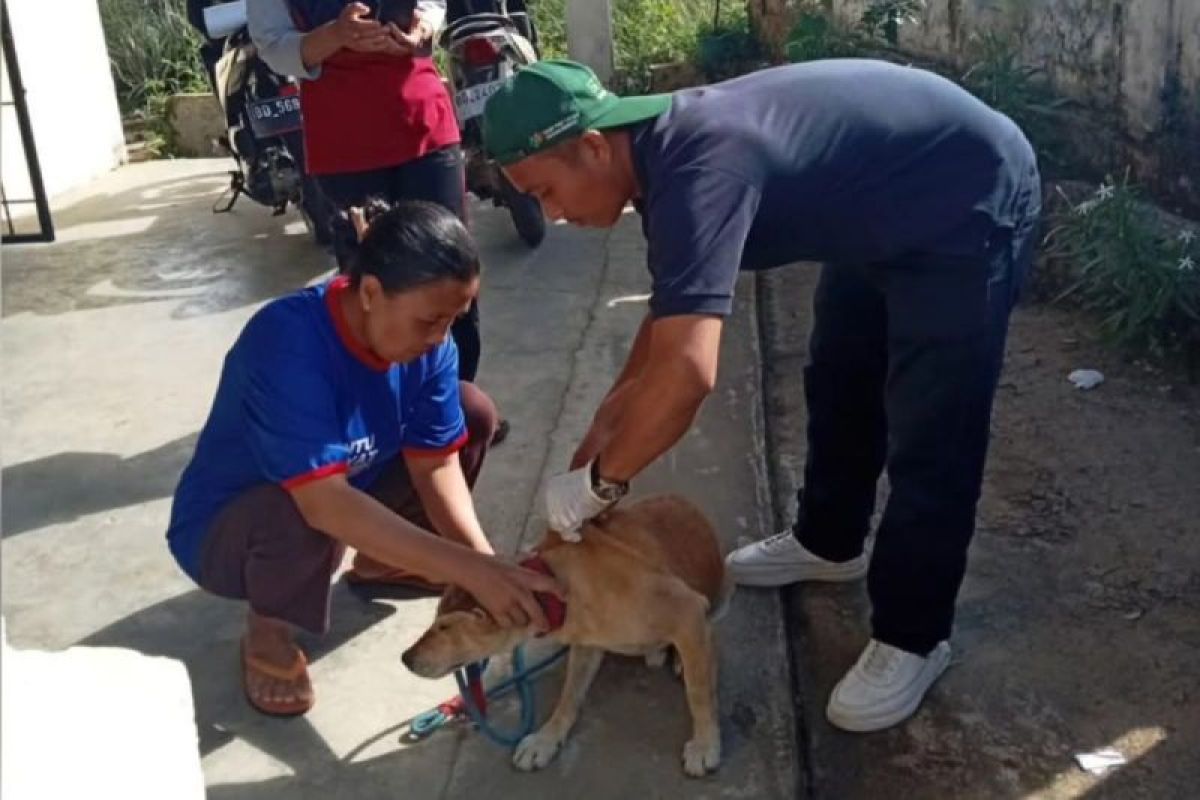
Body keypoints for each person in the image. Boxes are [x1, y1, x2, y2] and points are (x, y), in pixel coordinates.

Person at [482, 59, 1041, 732]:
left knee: (933, 434)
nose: (551, 215)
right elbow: (662, 333)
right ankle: (829, 543)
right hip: (881, 211)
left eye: (546, 190)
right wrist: (592, 448)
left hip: (965, 199)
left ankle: (914, 637)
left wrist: (603, 483)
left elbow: (687, 374)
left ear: (595, 147)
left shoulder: (697, 172)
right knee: (839, 377)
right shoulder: (659, 167)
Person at [165, 199, 558, 716]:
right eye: (430, 320)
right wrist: (471, 571)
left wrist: (484, 567)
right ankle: (268, 629)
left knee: (471, 411)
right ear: (371, 292)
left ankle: (384, 565)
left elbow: (435, 464)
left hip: (347, 487)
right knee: (296, 507)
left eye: (454, 320)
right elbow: (324, 503)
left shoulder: (431, 348)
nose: (441, 338)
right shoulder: (288, 341)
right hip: (233, 529)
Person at [246, 0, 485, 386]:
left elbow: (433, 3)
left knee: (449, 268)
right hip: (346, 140)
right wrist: (336, 35)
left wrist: (419, 30)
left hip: (423, 122)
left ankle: (458, 399)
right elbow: (273, 46)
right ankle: (383, 409)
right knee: (372, 284)